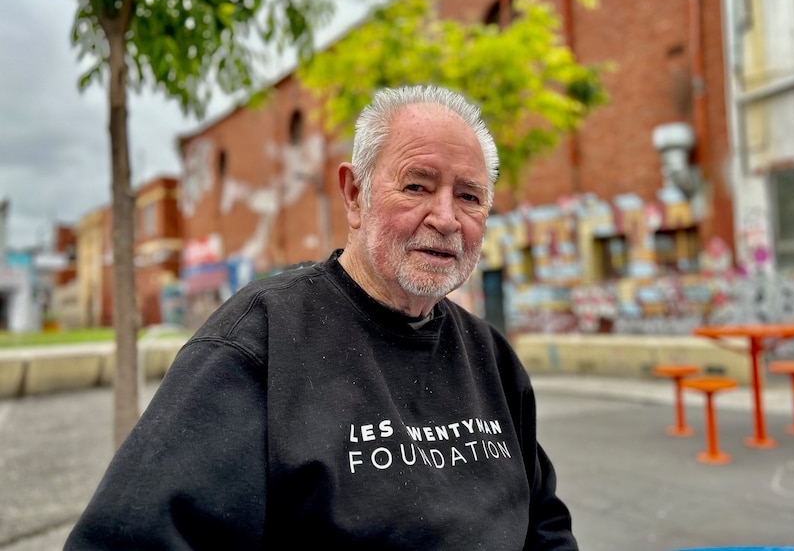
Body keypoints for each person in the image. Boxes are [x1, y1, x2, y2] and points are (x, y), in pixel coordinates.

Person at [65, 85, 579, 550]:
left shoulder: (490, 356)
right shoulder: (257, 341)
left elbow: (546, 526)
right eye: (417, 186)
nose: (446, 218)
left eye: (469, 196)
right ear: (355, 195)